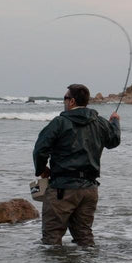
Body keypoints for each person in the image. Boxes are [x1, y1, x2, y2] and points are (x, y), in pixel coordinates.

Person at [33, 83, 121, 246]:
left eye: (65, 98)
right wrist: (115, 122)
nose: (64, 102)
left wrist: (42, 169)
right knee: (84, 238)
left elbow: (40, 149)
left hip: (62, 189)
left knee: (51, 238)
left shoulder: (59, 122)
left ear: (72, 101)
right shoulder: (100, 123)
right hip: (89, 190)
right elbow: (114, 141)